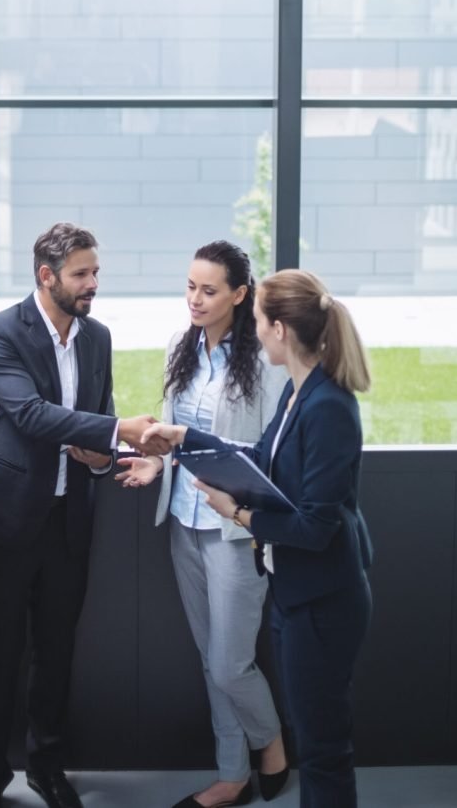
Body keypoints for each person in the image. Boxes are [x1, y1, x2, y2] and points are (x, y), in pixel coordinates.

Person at [142, 269, 373, 808]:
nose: (255, 328)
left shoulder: (328, 408)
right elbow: (258, 459)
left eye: (259, 319)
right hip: (298, 594)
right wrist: (184, 437)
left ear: (280, 330)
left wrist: (240, 516)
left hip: (323, 599)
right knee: (316, 741)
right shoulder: (298, 394)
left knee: (323, 751)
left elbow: (316, 528)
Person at [0, 222, 158, 808]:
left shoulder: (97, 338)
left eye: (96, 272)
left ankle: (46, 768)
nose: (93, 284)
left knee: (57, 649)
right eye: (81, 274)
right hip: (7, 521)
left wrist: (101, 456)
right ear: (47, 277)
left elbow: (98, 416)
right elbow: (31, 415)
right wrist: (116, 431)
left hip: (71, 520)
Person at [116, 241, 289, 808]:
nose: (194, 299)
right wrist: (156, 460)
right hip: (183, 524)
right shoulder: (179, 346)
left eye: (209, 290)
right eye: (190, 286)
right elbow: (171, 431)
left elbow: (270, 452)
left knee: (229, 662)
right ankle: (231, 776)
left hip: (234, 530)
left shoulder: (263, 361)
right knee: (209, 660)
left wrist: (212, 463)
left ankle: (272, 743)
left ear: (240, 296)